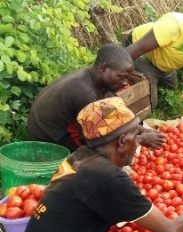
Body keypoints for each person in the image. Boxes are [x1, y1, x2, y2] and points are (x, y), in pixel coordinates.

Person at [17, 97, 183, 232]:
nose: (138, 143)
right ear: (122, 141)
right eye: (136, 134)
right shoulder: (106, 176)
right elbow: (171, 231)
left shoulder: (80, 156)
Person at [27, 44, 165, 152]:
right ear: (104, 68)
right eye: (121, 77)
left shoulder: (91, 77)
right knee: (105, 153)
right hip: (49, 139)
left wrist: (141, 130)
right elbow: (102, 139)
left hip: (49, 128)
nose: (125, 83)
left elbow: (111, 113)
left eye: (127, 78)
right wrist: (140, 139)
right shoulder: (86, 94)